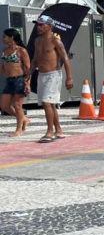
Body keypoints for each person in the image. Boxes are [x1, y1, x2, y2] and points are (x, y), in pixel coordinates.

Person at [27, 15, 73, 143]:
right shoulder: (37, 40)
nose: (38, 27)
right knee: (49, 104)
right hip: (41, 75)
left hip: (53, 75)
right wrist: (29, 74)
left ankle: (50, 132)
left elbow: (65, 58)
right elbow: (35, 59)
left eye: (41, 25)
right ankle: (59, 131)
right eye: (37, 25)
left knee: (47, 103)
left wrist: (69, 78)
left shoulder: (55, 41)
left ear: (50, 26)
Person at [2, 29, 30, 137]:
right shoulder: (5, 50)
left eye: (4, 37)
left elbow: (28, 68)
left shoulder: (21, 50)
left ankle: (19, 130)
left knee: (17, 105)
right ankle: (24, 119)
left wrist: (27, 83)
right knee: (4, 106)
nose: (3, 39)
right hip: (9, 80)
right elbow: (3, 67)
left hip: (20, 80)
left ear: (11, 38)